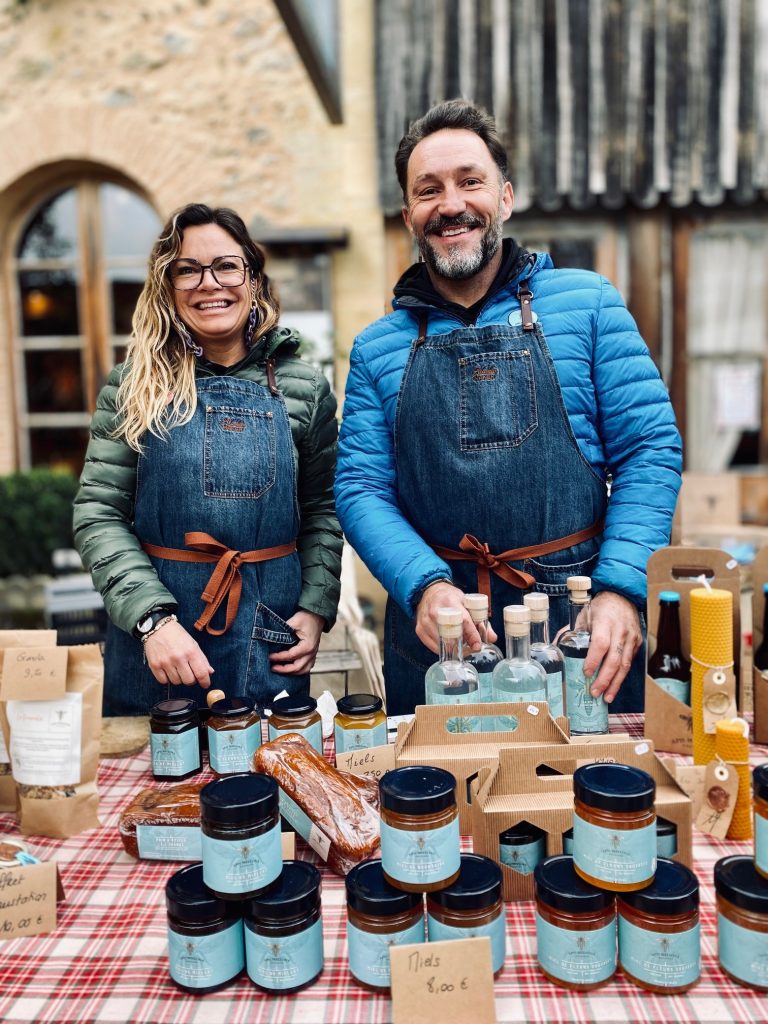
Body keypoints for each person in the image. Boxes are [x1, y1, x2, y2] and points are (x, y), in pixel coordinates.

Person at [335, 100, 682, 716]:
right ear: (408, 214)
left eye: (470, 181)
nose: (451, 204)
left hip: (577, 628)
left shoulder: (590, 304)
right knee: (442, 807)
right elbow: (361, 489)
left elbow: (649, 451)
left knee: (594, 801)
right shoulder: (376, 348)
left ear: (505, 197)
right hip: (439, 634)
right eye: (428, 190)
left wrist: (621, 590)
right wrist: (422, 585)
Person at [74, 203, 342, 715]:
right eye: (187, 270)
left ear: (253, 279)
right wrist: (153, 621)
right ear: (168, 287)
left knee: (266, 781)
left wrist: (314, 607)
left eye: (226, 265)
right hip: (157, 643)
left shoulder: (303, 388)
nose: (209, 283)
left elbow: (324, 509)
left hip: (270, 633)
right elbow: (98, 514)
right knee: (152, 791)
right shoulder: (134, 387)